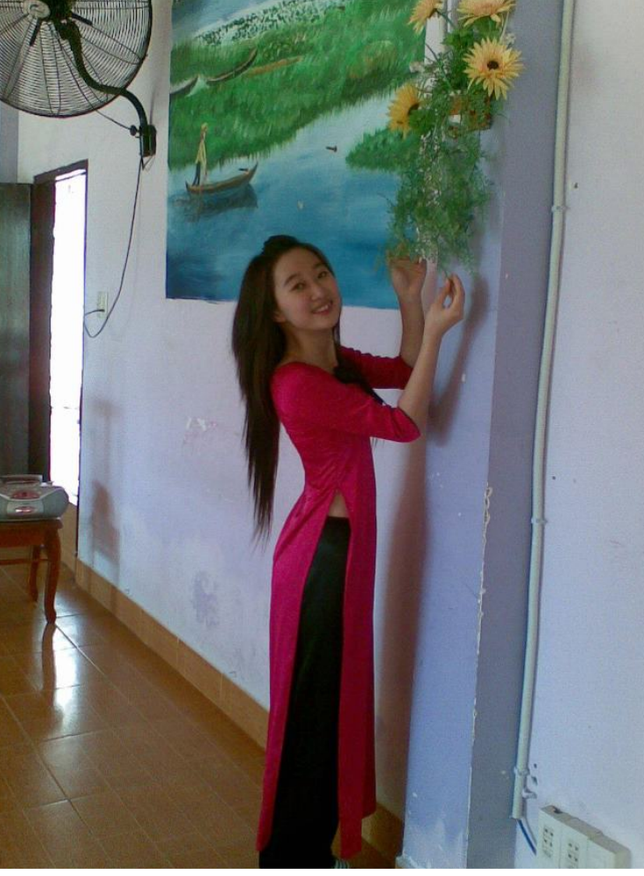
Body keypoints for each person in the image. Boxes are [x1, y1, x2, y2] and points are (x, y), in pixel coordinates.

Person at [231, 235, 465, 869]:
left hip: (334, 552)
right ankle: (293, 857)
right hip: (321, 564)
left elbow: (404, 370)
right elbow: (403, 424)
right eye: (297, 285)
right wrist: (439, 330)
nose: (318, 290)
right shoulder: (296, 382)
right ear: (275, 310)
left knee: (325, 712)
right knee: (314, 718)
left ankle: (307, 853)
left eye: (321, 273)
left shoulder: (334, 363)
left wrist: (410, 299)